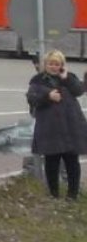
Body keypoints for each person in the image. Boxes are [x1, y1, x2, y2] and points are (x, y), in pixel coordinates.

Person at [27, 50, 87, 200]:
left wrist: (66, 78)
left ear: (62, 65)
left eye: (57, 64)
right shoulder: (37, 80)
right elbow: (32, 99)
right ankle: (54, 194)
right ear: (45, 64)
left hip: (70, 127)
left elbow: (79, 90)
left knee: (72, 161)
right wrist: (48, 96)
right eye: (51, 64)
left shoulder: (69, 78)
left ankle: (72, 195)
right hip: (50, 128)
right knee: (51, 162)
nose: (54, 67)